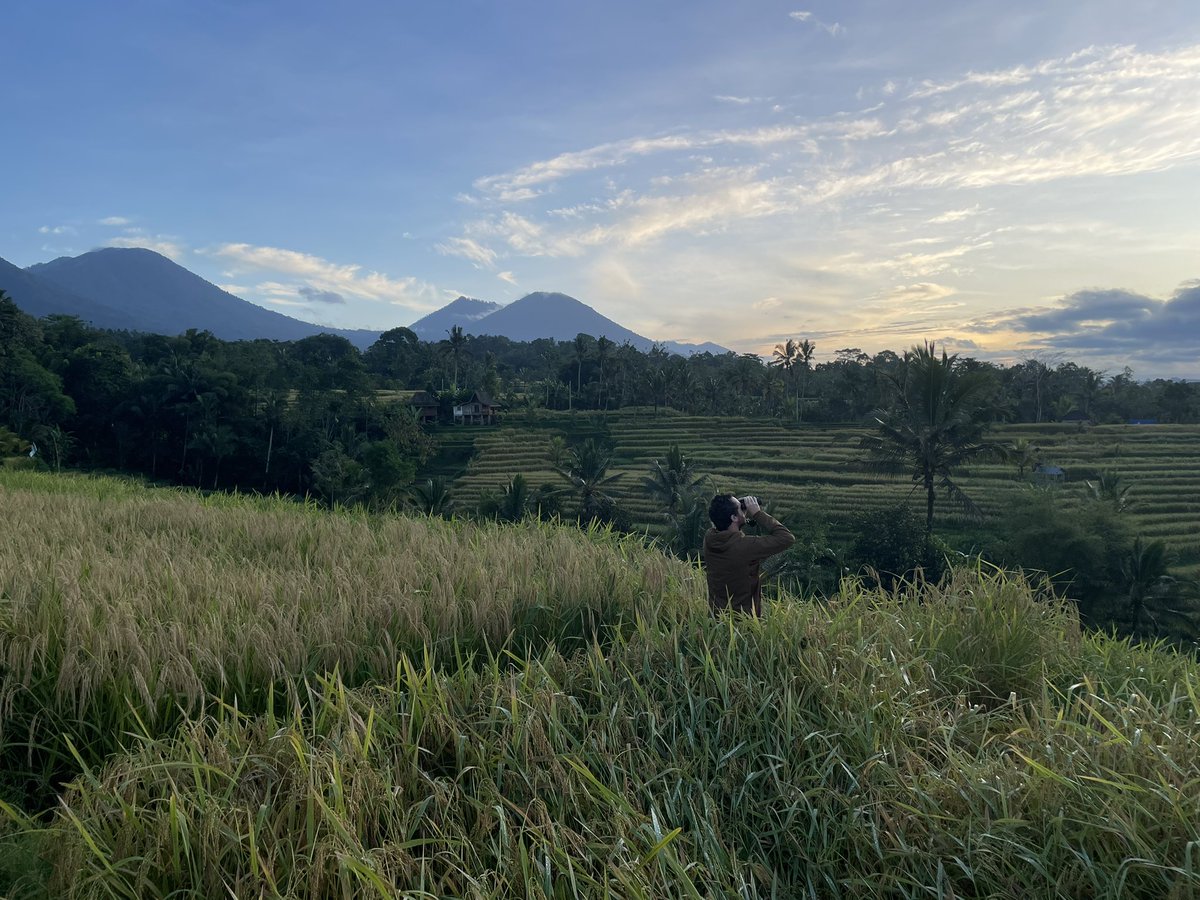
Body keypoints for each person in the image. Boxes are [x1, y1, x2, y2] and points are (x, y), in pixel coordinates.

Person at [702, 494, 795, 616]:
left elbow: (731, 535)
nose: (743, 509)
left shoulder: (709, 539)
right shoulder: (746, 546)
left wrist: (739, 513)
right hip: (743, 623)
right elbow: (787, 538)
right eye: (741, 508)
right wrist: (757, 514)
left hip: (716, 617)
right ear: (734, 517)